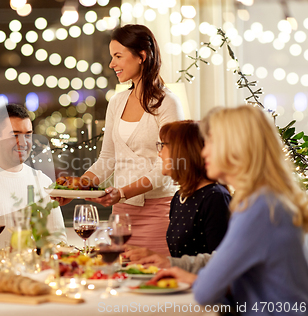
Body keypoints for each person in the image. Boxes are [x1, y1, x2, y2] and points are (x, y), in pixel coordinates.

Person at [150, 106, 308, 314]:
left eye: (212, 142)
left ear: (236, 147)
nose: (204, 151)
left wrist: (197, 280)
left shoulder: (259, 208)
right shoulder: (267, 200)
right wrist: (191, 276)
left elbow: (206, 292)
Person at [57, 24, 184, 256]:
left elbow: (166, 167)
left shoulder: (168, 103)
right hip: (121, 215)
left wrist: (122, 192)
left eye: (118, 56)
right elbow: (107, 159)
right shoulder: (117, 102)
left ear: (142, 57)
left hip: (159, 212)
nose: (111, 64)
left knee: (153, 279)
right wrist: (76, 189)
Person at [0, 103, 67, 252]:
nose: (23, 142)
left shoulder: (43, 182)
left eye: (27, 135)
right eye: (15, 135)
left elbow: (58, 238)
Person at [158, 120, 230, 257]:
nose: (159, 154)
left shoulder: (215, 198)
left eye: (163, 146)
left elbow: (223, 262)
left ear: (182, 150)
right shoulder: (179, 197)